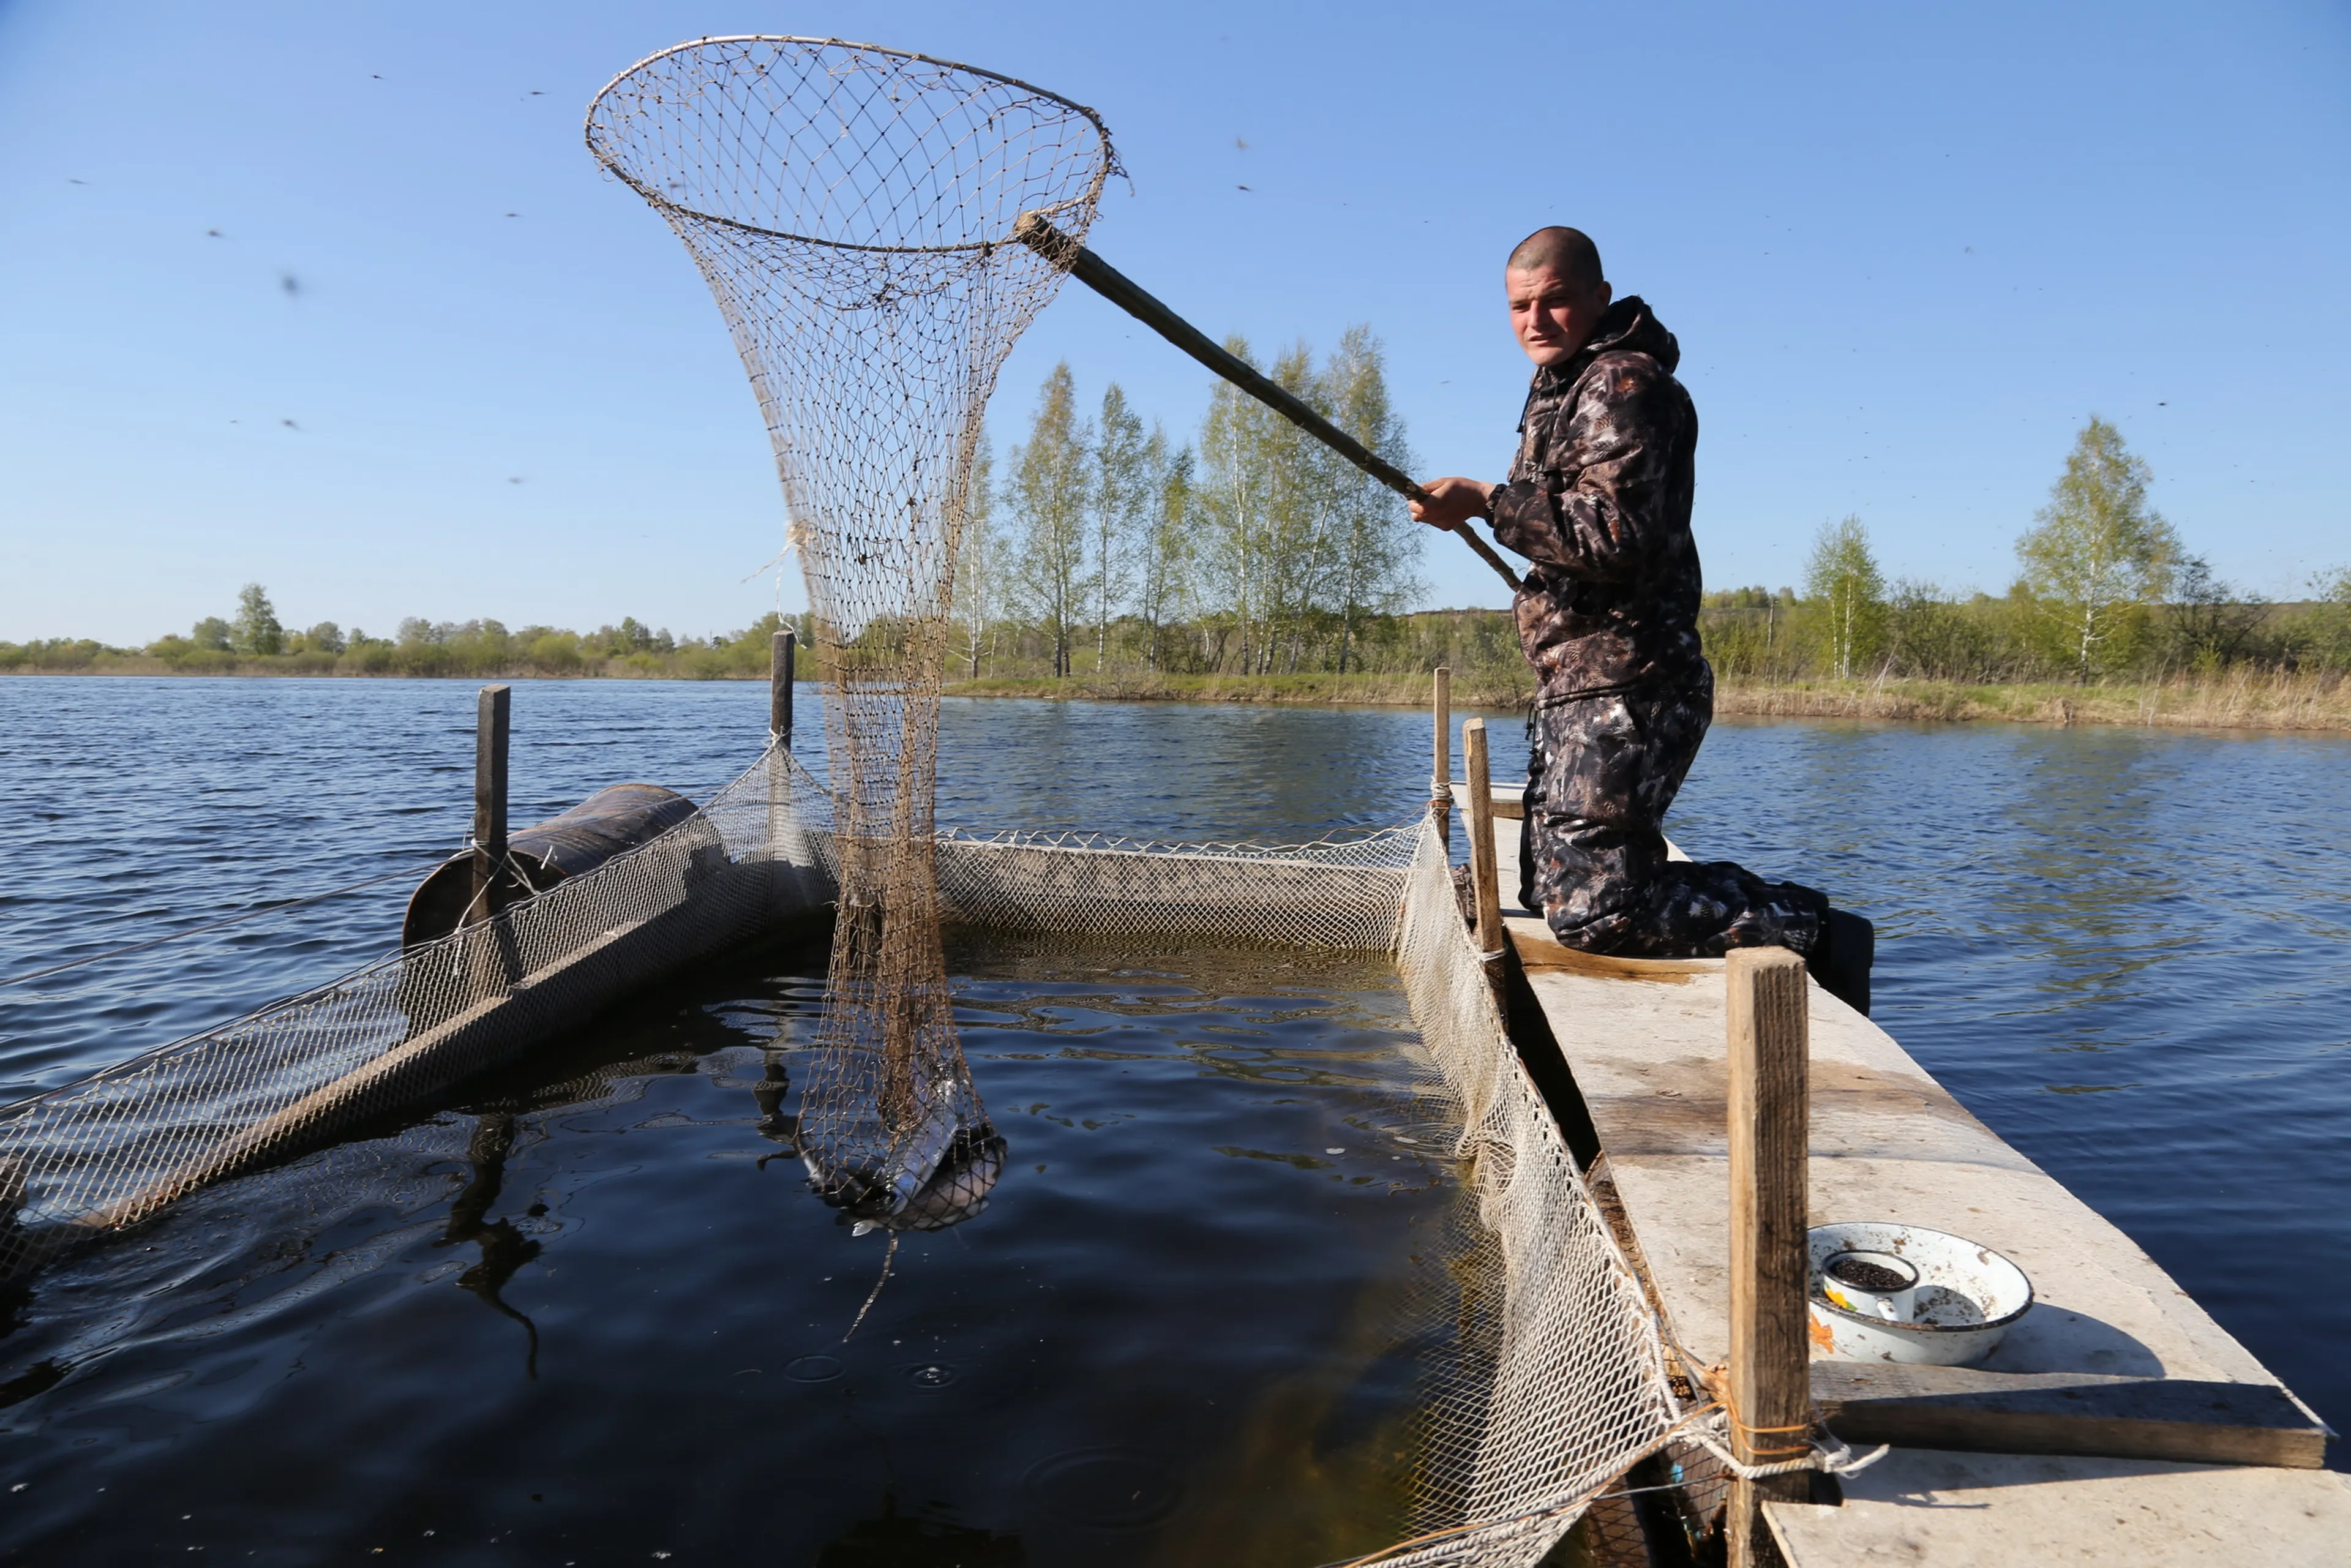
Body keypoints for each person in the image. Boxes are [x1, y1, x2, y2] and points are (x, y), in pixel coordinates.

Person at [1411, 225, 1873, 1011]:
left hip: (1631, 679)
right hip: (1578, 679)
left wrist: (1490, 503)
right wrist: (1501, 513)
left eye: (1555, 300)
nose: (1536, 320)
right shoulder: (1562, 386)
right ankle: (1765, 912)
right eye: (1520, 306)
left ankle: (1814, 930)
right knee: (1547, 887)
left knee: (1597, 912)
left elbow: (1609, 532)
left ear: (1597, 296)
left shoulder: (1623, 383)